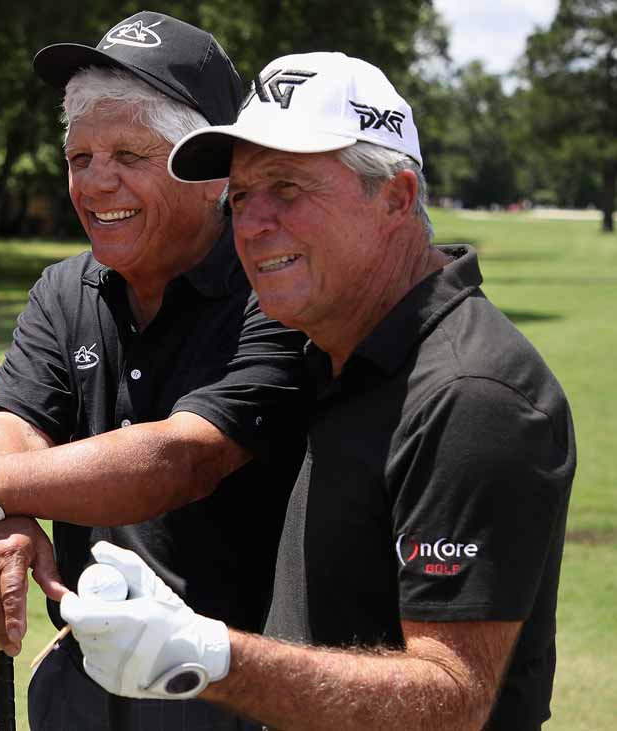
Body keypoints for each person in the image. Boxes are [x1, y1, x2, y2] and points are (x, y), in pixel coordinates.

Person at [61, 52, 575, 731]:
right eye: (241, 196)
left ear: (395, 197)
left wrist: (212, 657)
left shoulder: (469, 393)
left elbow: (453, 697)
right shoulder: (334, 353)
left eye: (287, 188)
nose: (252, 224)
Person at [0, 12, 308, 730]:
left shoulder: (274, 290)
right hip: (86, 688)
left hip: (236, 691)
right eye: (79, 156)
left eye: (128, 153)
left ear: (210, 172)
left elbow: (186, 456)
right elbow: (13, 425)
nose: (96, 182)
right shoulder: (65, 290)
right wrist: (2, 519)